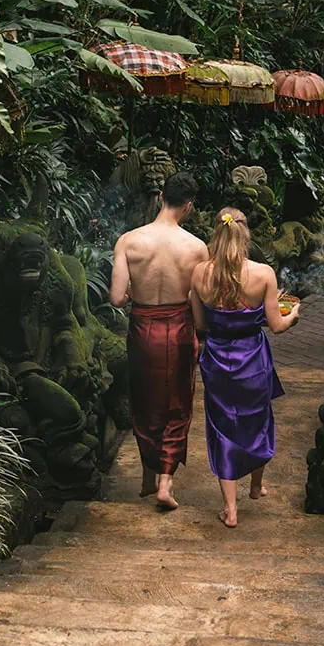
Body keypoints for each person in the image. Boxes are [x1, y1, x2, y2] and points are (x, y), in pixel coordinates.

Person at [190, 207, 300, 528]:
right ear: (246, 234)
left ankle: (230, 509)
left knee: (223, 428)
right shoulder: (264, 274)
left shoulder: (198, 274)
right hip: (252, 359)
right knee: (257, 422)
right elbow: (277, 326)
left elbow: (200, 324)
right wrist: (293, 314)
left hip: (218, 361)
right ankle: (255, 486)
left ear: (215, 233)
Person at [110, 171, 208, 509]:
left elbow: (117, 298)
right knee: (177, 403)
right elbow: (199, 299)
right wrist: (200, 330)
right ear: (188, 206)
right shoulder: (197, 248)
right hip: (180, 328)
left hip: (142, 329)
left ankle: (148, 475)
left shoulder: (128, 241)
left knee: (143, 400)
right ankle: (165, 482)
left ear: (161, 196)